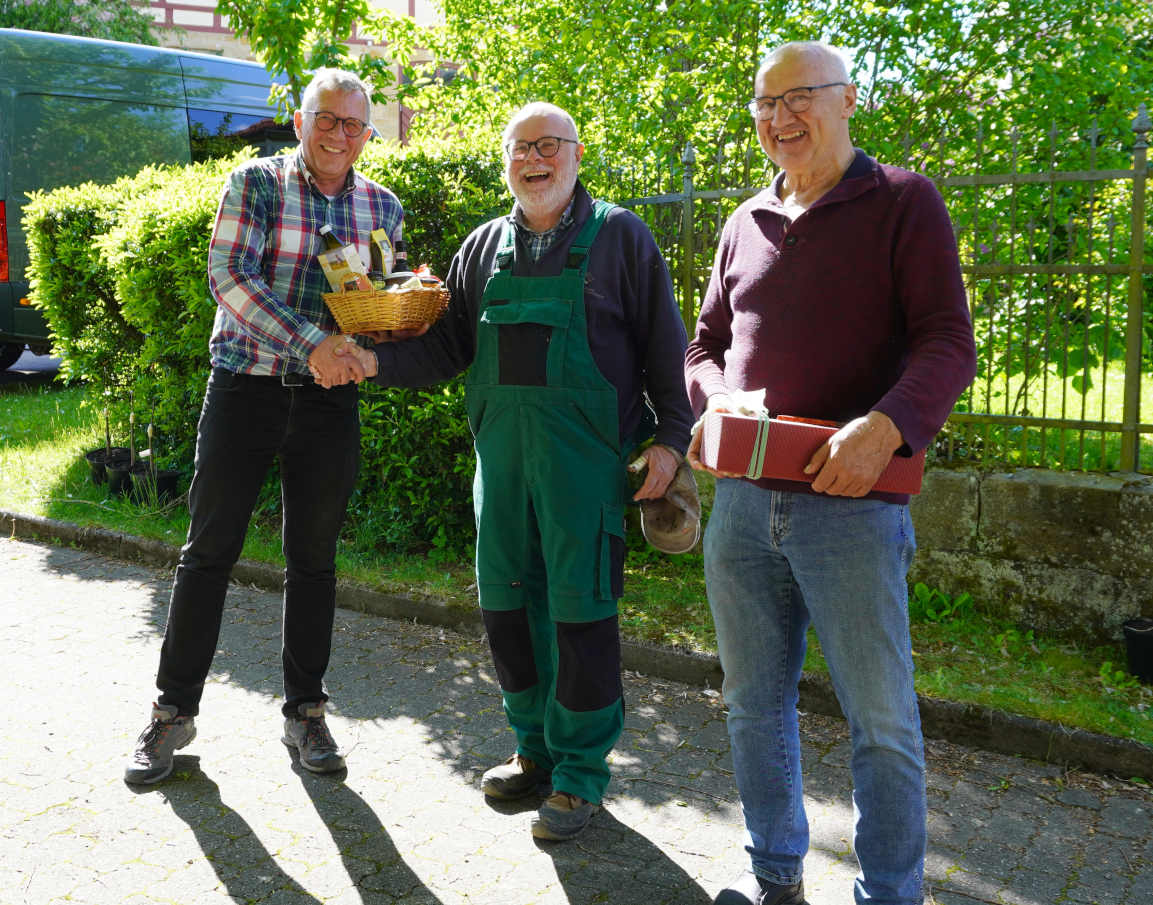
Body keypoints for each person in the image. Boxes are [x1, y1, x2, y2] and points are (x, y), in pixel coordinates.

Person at [340, 102, 694, 841]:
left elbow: (667, 346)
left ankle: (580, 772)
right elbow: (449, 348)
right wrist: (372, 361)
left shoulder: (621, 237)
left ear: (576, 153)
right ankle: (533, 749)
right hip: (501, 469)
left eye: (548, 145)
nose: (533, 159)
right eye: (519, 148)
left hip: (584, 470)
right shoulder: (482, 247)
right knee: (505, 607)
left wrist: (671, 439)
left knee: (580, 612)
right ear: (506, 161)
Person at [685, 42, 977, 905]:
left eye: (798, 98)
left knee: (880, 720)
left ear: (847, 100)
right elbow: (703, 346)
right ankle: (775, 874)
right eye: (764, 104)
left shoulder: (904, 201)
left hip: (852, 509)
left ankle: (889, 892)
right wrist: (714, 402)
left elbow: (947, 343)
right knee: (752, 704)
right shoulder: (744, 220)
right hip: (743, 506)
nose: (779, 118)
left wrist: (884, 428)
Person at [123, 69, 403, 785]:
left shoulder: (382, 206)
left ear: (368, 134)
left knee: (314, 562)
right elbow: (230, 277)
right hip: (245, 389)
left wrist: (380, 331)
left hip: (328, 404)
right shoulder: (255, 184)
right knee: (207, 554)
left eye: (354, 124)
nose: (340, 135)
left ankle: (305, 712)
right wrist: (312, 344)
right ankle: (171, 713)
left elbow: (375, 300)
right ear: (301, 121)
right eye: (327, 119)